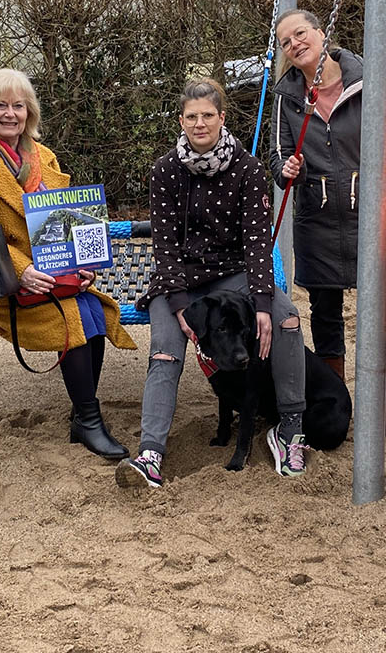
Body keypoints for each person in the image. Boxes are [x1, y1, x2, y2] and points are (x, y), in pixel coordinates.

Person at [116, 78, 307, 487]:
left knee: (287, 317)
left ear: (222, 118)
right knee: (165, 351)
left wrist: (260, 303)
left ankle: (290, 426)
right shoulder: (165, 170)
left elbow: (258, 242)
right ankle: (150, 454)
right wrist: (181, 303)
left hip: (234, 273)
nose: (199, 123)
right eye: (191, 117)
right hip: (179, 277)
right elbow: (164, 246)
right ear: (181, 121)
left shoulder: (249, 170)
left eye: (207, 115)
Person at [269, 9, 386, 444]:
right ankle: (335, 405)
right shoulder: (288, 97)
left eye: (300, 34)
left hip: (373, 215)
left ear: (321, 33)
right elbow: (276, 158)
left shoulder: (369, 79)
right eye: (286, 42)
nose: (295, 44)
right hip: (317, 218)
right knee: (325, 313)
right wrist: (286, 168)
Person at [0, 68, 135, 459]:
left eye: (19, 106)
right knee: (75, 315)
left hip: (53, 271)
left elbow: (67, 217)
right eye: (0, 105)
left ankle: (84, 417)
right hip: (3, 278)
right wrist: (22, 270)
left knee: (93, 305)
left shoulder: (43, 157)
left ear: (30, 113)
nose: (10, 114)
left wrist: (85, 261)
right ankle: (89, 420)